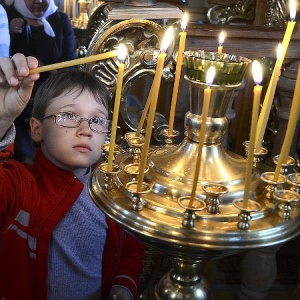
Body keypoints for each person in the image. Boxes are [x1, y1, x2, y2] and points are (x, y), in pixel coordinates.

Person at [0, 54, 145, 300]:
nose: (86, 130)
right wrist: (1, 119)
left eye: (97, 120)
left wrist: (123, 285)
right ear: (37, 129)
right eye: (68, 115)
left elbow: (130, 250)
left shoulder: (115, 193)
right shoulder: (19, 185)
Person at [5, 0, 77, 161]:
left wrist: (44, 67)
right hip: (17, 100)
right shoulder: (8, 17)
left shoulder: (60, 19)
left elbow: (71, 59)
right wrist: (10, 32)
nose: (39, 1)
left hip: (52, 95)